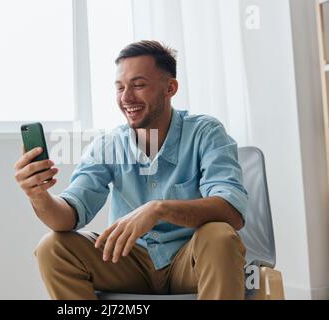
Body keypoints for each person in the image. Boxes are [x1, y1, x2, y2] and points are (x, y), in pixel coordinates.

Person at [14, 40, 248, 300]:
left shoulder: (206, 133)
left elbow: (232, 212)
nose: (126, 98)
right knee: (52, 247)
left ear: (170, 88)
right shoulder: (108, 145)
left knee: (219, 235)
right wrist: (38, 194)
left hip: (191, 260)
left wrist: (159, 209)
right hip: (128, 262)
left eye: (138, 85)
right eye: (120, 88)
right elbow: (67, 216)